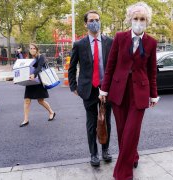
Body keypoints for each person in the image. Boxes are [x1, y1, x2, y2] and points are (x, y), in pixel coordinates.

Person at [99, 2, 159, 179]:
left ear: (146, 21)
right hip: (119, 91)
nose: (139, 22)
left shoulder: (151, 42)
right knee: (122, 130)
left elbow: (152, 71)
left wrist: (153, 94)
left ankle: (122, 174)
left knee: (131, 131)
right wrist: (104, 90)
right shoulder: (120, 37)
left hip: (139, 93)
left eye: (142, 19)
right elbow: (110, 65)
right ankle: (133, 155)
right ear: (130, 19)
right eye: (136, 18)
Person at [68, 10, 113, 167]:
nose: (95, 22)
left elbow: (114, 66)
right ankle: (93, 154)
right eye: (92, 20)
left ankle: (105, 150)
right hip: (88, 89)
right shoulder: (79, 44)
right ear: (86, 23)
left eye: (97, 19)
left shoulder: (110, 42)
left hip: (106, 88)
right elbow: (72, 67)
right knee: (92, 122)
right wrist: (73, 86)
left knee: (106, 120)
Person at [20, 43, 56, 127]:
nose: (32, 50)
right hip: (30, 82)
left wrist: (34, 74)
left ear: (37, 49)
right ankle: (26, 120)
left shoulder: (41, 57)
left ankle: (51, 112)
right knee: (27, 100)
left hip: (39, 81)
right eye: (31, 48)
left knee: (40, 101)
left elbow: (39, 67)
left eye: (34, 48)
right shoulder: (28, 58)